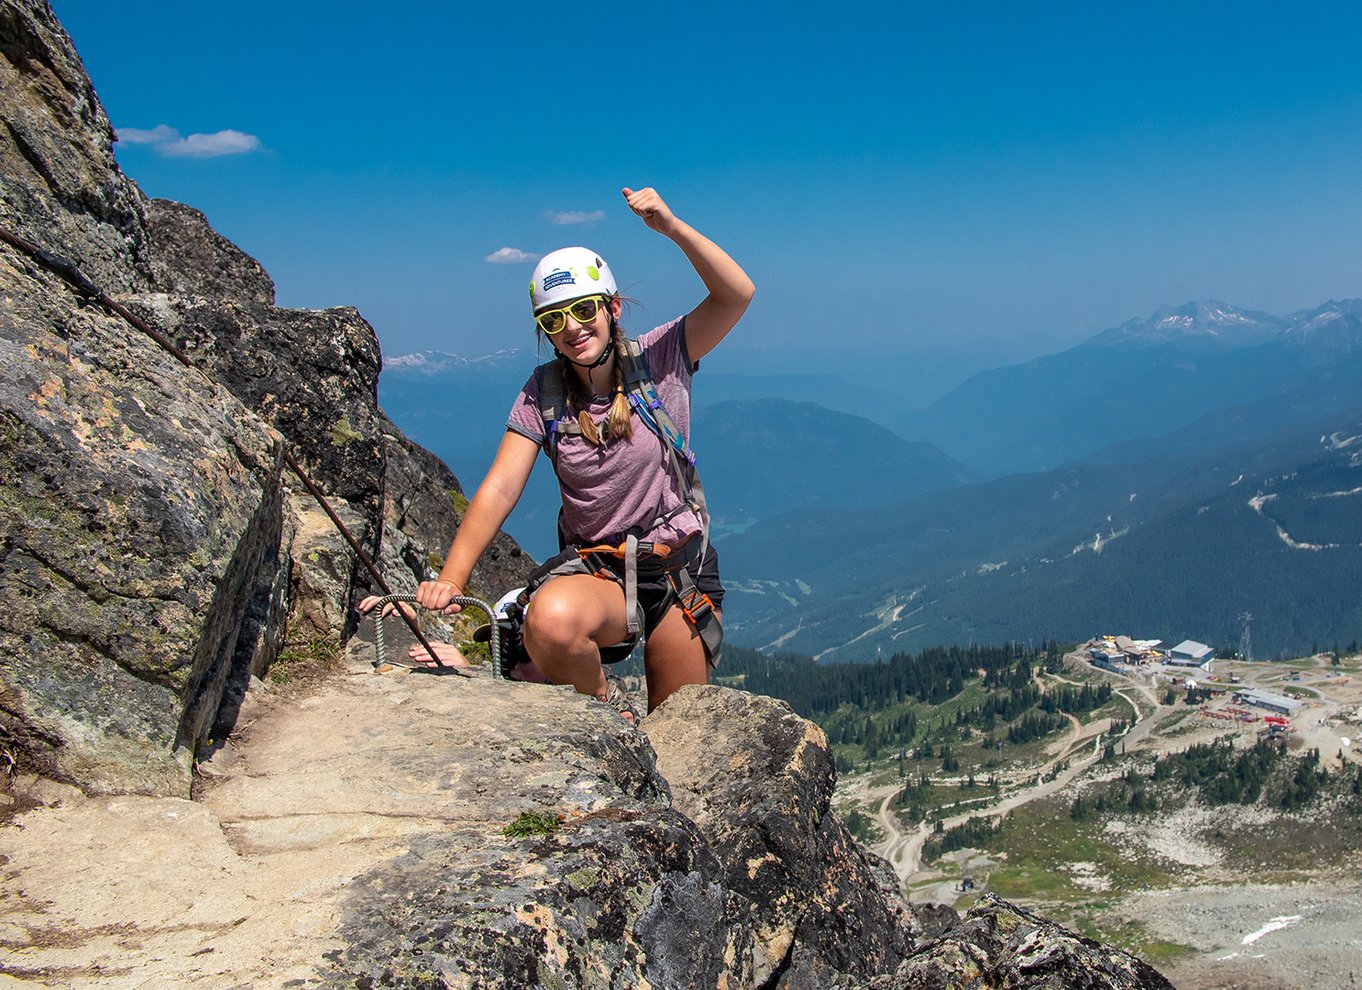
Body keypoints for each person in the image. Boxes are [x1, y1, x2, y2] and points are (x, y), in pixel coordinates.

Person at [413, 186, 753, 716]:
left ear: (611, 308)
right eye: (554, 319)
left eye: (583, 309)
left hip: (678, 570)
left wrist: (673, 227)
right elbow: (502, 486)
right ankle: (603, 716)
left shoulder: (662, 357)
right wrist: (451, 580)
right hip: (601, 574)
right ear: (544, 332)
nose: (572, 328)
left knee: (677, 729)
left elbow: (736, 294)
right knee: (548, 621)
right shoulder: (542, 394)